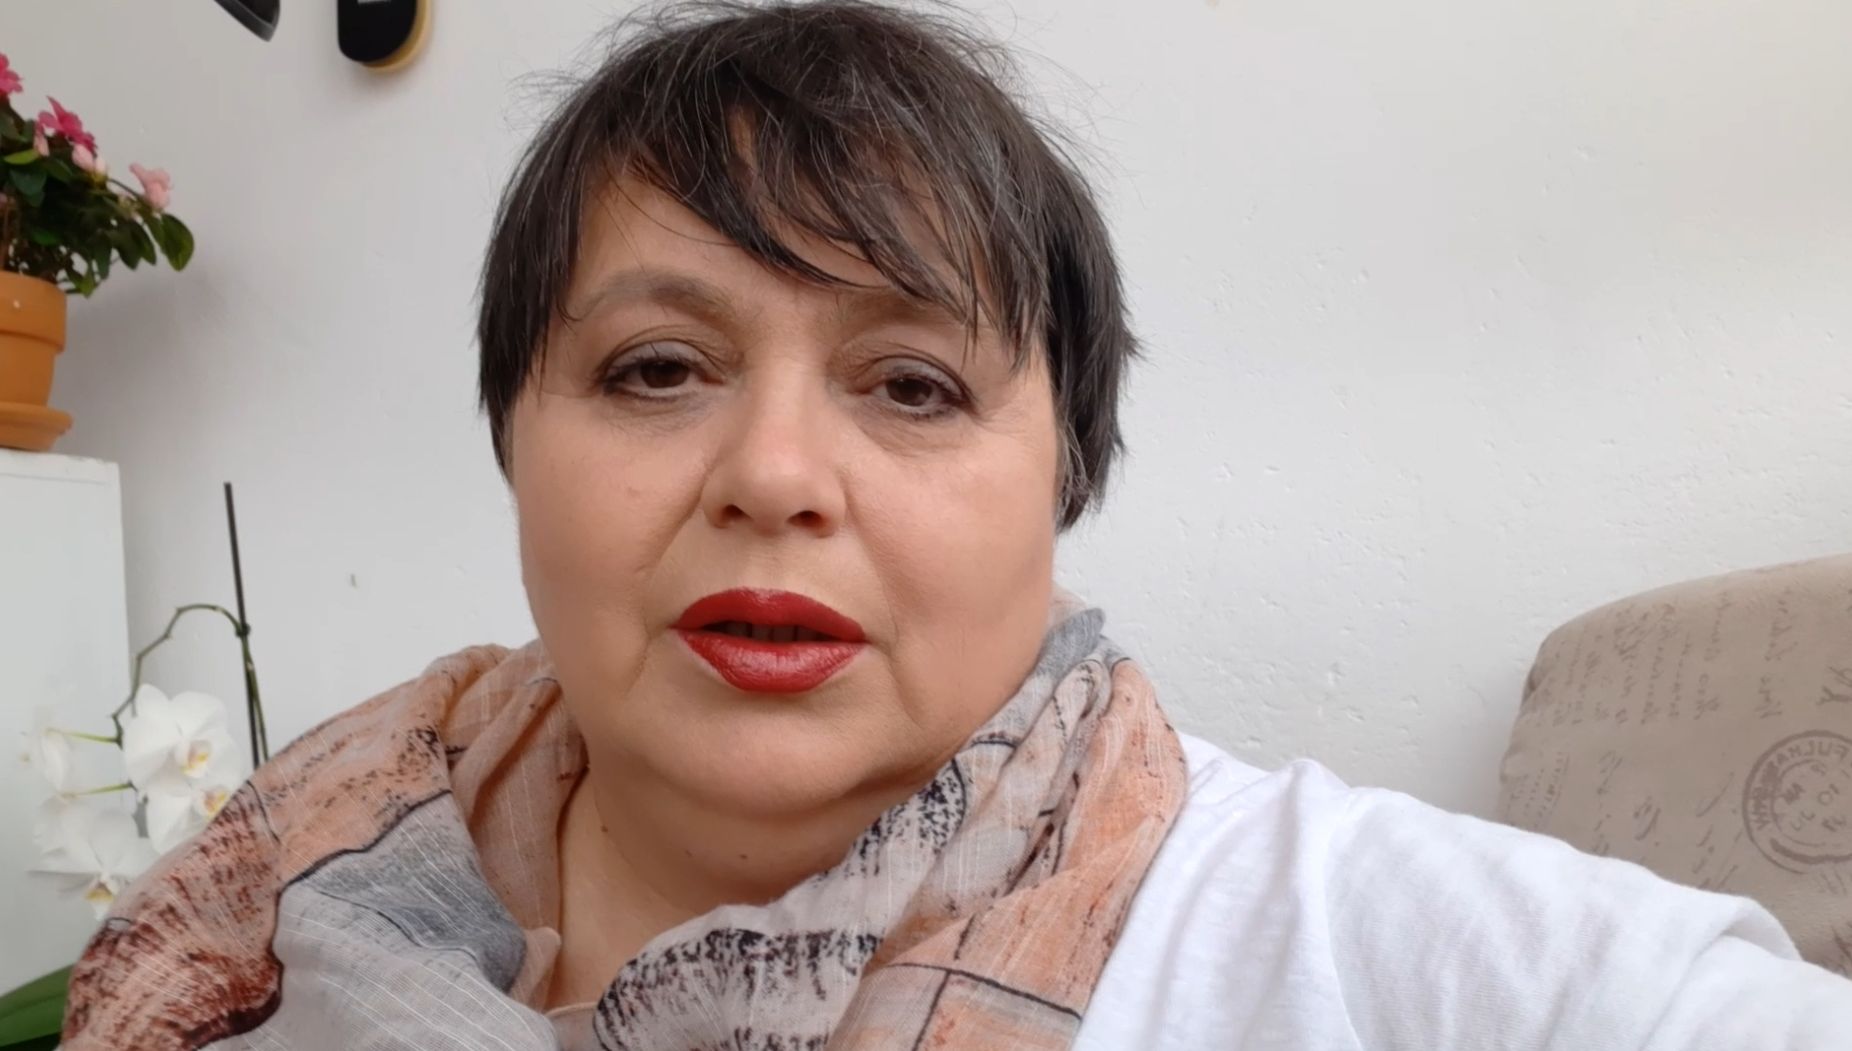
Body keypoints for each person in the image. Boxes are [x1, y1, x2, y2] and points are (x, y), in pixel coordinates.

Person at [60, 2, 1852, 1048]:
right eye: (659, 368)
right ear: (514, 440)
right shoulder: (294, 882)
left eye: (912, 385)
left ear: (1064, 476)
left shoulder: (1361, 948)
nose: (777, 474)